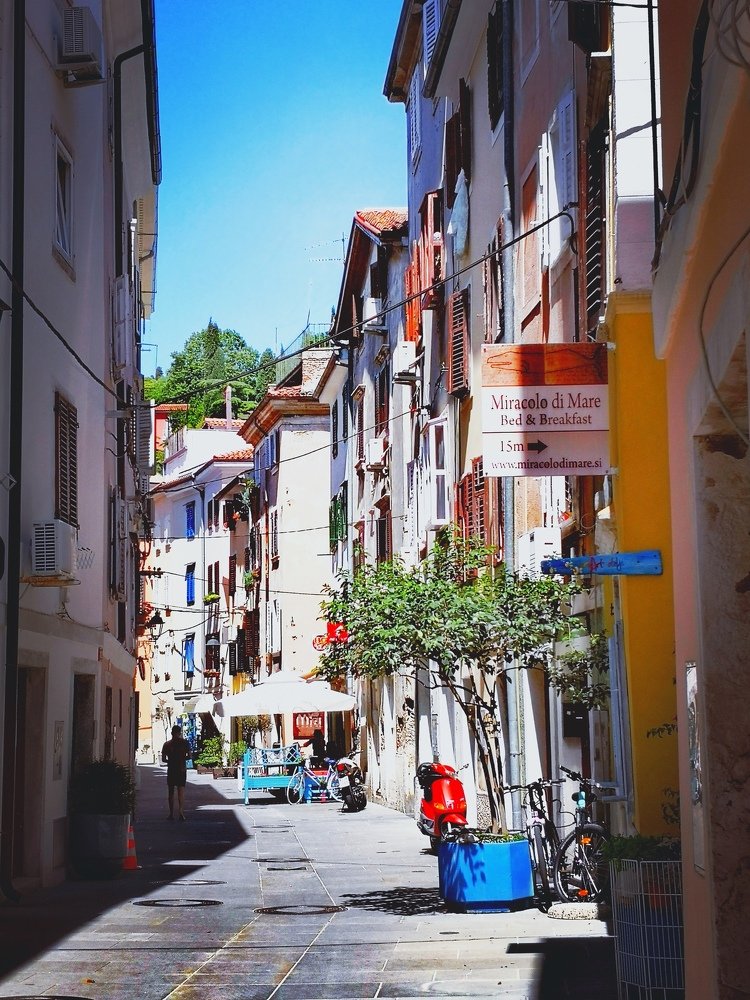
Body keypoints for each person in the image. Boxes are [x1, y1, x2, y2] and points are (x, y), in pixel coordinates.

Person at [162, 724, 190, 820]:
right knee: (181, 791)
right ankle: (181, 812)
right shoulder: (185, 743)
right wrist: (181, 758)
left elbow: (163, 759)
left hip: (171, 769)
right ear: (179, 732)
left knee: (171, 792)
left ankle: (171, 813)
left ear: (171, 733)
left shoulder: (167, 744)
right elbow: (189, 756)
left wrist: (171, 760)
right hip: (181, 768)